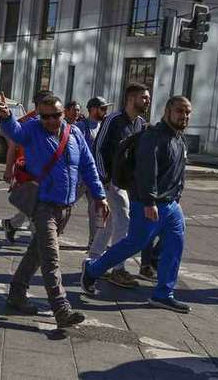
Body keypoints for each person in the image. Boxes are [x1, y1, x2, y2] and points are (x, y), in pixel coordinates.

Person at [0, 92, 109, 328]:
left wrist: (100, 196)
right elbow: (15, 132)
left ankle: (16, 293)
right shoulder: (33, 130)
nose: (51, 121)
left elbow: (88, 166)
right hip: (43, 205)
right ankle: (61, 309)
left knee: (36, 253)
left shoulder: (74, 133)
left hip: (65, 207)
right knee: (51, 259)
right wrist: (6, 116)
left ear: (63, 113)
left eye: (55, 115)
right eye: (45, 117)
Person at [82, 96, 192, 313]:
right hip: (147, 204)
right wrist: (149, 202)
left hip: (171, 206)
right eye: (180, 111)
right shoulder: (152, 137)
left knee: (174, 246)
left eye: (188, 112)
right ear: (168, 111)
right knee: (133, 244)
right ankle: (92, 270)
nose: (184, 116)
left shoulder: (180, 140)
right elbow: (146, 171)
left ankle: (163, 294)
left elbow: (179, 173)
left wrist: (177, 197)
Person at [90, 82, 150, 288]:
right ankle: (118, 268)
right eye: (144, 97)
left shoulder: (141, 123)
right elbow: (97, 149)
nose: (147, 101)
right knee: (123, 219)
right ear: (131, 99)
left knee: (109, 224)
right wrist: (104, 178)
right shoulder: (113, 120)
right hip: (109, 180)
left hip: (126, 183)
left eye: (148, 97)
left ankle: (94, 260)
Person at [1, 89, 53, 243]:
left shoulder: (52, 123)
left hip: (44, 174)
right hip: (25, 173)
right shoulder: (25, 122)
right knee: (35, 210)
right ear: (38, 106)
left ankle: (11, 224)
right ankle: (36, 244)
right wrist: (8, 170)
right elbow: (12, 146)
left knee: (30, 207)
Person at [76, 96, 112, 247]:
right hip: (79, 177)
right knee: (63, 207)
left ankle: (93, 242)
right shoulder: (80, 127)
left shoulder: (104, 127)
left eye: (106, 108)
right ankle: (46, 234)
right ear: (92, 109)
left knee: (96, 210)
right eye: (102, 108)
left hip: (94, 178)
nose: (105, 111)